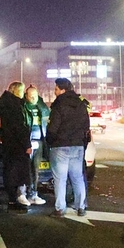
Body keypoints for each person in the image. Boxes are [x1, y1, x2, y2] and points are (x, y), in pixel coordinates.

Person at [46, 77, 91, 218]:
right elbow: (86, 126)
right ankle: (81, 206)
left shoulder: (58, 105)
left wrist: (50, 141)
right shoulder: (81, 104)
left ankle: (60, 208)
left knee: (60, 179)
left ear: (63, 90)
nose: (54, 92)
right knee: (77, 177)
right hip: (77, 145)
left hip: (60, 146)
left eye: (56, 89)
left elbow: (53, 128)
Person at [0, 81, 33, 211]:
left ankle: (12, 199)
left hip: (9, 143)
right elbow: (20, 127)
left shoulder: (5, 103)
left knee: (10, 171)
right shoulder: (15, 106)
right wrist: (27, 144)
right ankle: (15, 199)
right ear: (17, 91)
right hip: (18, 145)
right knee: (18, 173)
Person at [23, 85, 50, 205]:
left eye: (35, 96)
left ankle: (33, 193)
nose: (33, 98)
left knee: (35, 169)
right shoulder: (23, 107)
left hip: (39, 141)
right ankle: (24, 193)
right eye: (31, 96)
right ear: (26, 96)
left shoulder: (41, 107)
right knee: (26, 169)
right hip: (28, 142)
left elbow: (47, 119)